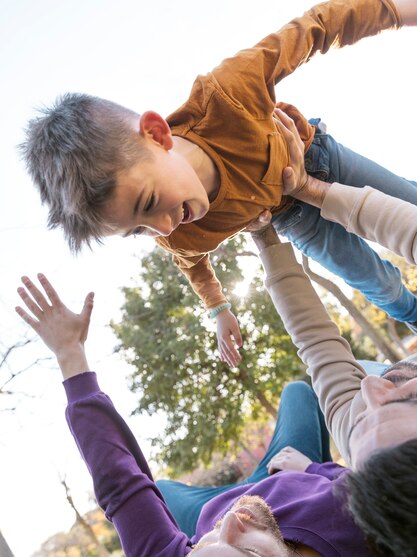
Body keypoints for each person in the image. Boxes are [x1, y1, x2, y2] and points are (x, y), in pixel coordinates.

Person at [21, 0, 417, 368]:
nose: (163, 227)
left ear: (157, 135)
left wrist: (396, 12)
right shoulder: (179, 237)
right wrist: (219, 310)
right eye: (137, 231)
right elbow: (195, 269)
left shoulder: (227, 95)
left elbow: (316, 27)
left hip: (321, 161)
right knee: (379, 284)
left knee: (409, 210)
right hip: (295, 218)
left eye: (150, 202)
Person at [16, 275, 381, 557]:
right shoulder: (357, 524)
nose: (232, 522)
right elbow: (354, 479)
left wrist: (70, 355)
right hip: (286, 473)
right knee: (298, 393)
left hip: (207, 507)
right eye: (249, 552)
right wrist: (311, 469)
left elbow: (120, 485)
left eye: (198, 550)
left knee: (163, 491)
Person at [250, 110, 417, 557]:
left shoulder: (360, 434)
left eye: (366, 423)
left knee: (360, 373)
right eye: (405, 402)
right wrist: (313, 190)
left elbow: (317, 341)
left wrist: (265, 239)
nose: (371, 391)